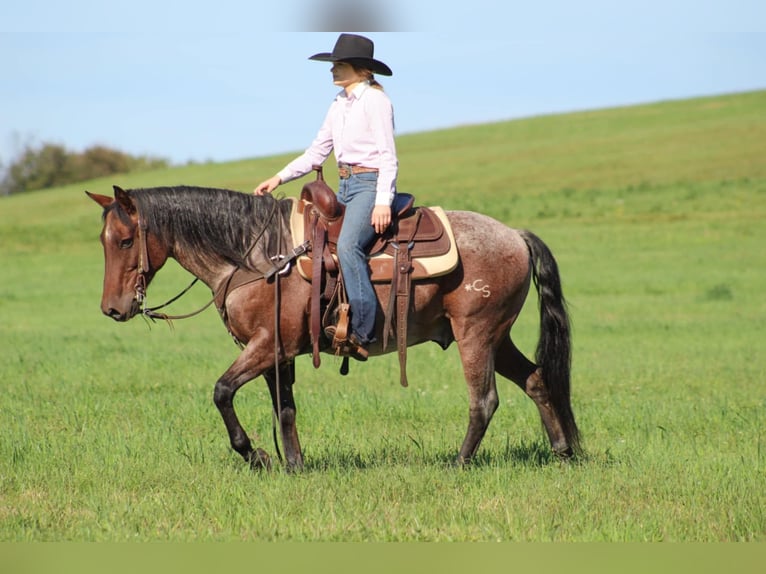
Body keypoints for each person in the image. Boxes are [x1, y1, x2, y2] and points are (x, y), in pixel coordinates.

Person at [254, 33, 397, 361]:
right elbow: (316, 152)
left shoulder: (376, 102)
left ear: (359, 69)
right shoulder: (339, 104)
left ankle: (364, 331)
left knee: (347, 246)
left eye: (339, 64)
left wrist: (382, 201)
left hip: (369, 185)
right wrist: (278, 177)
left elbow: (388, 156)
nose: (332, 70)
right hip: (344, 185)